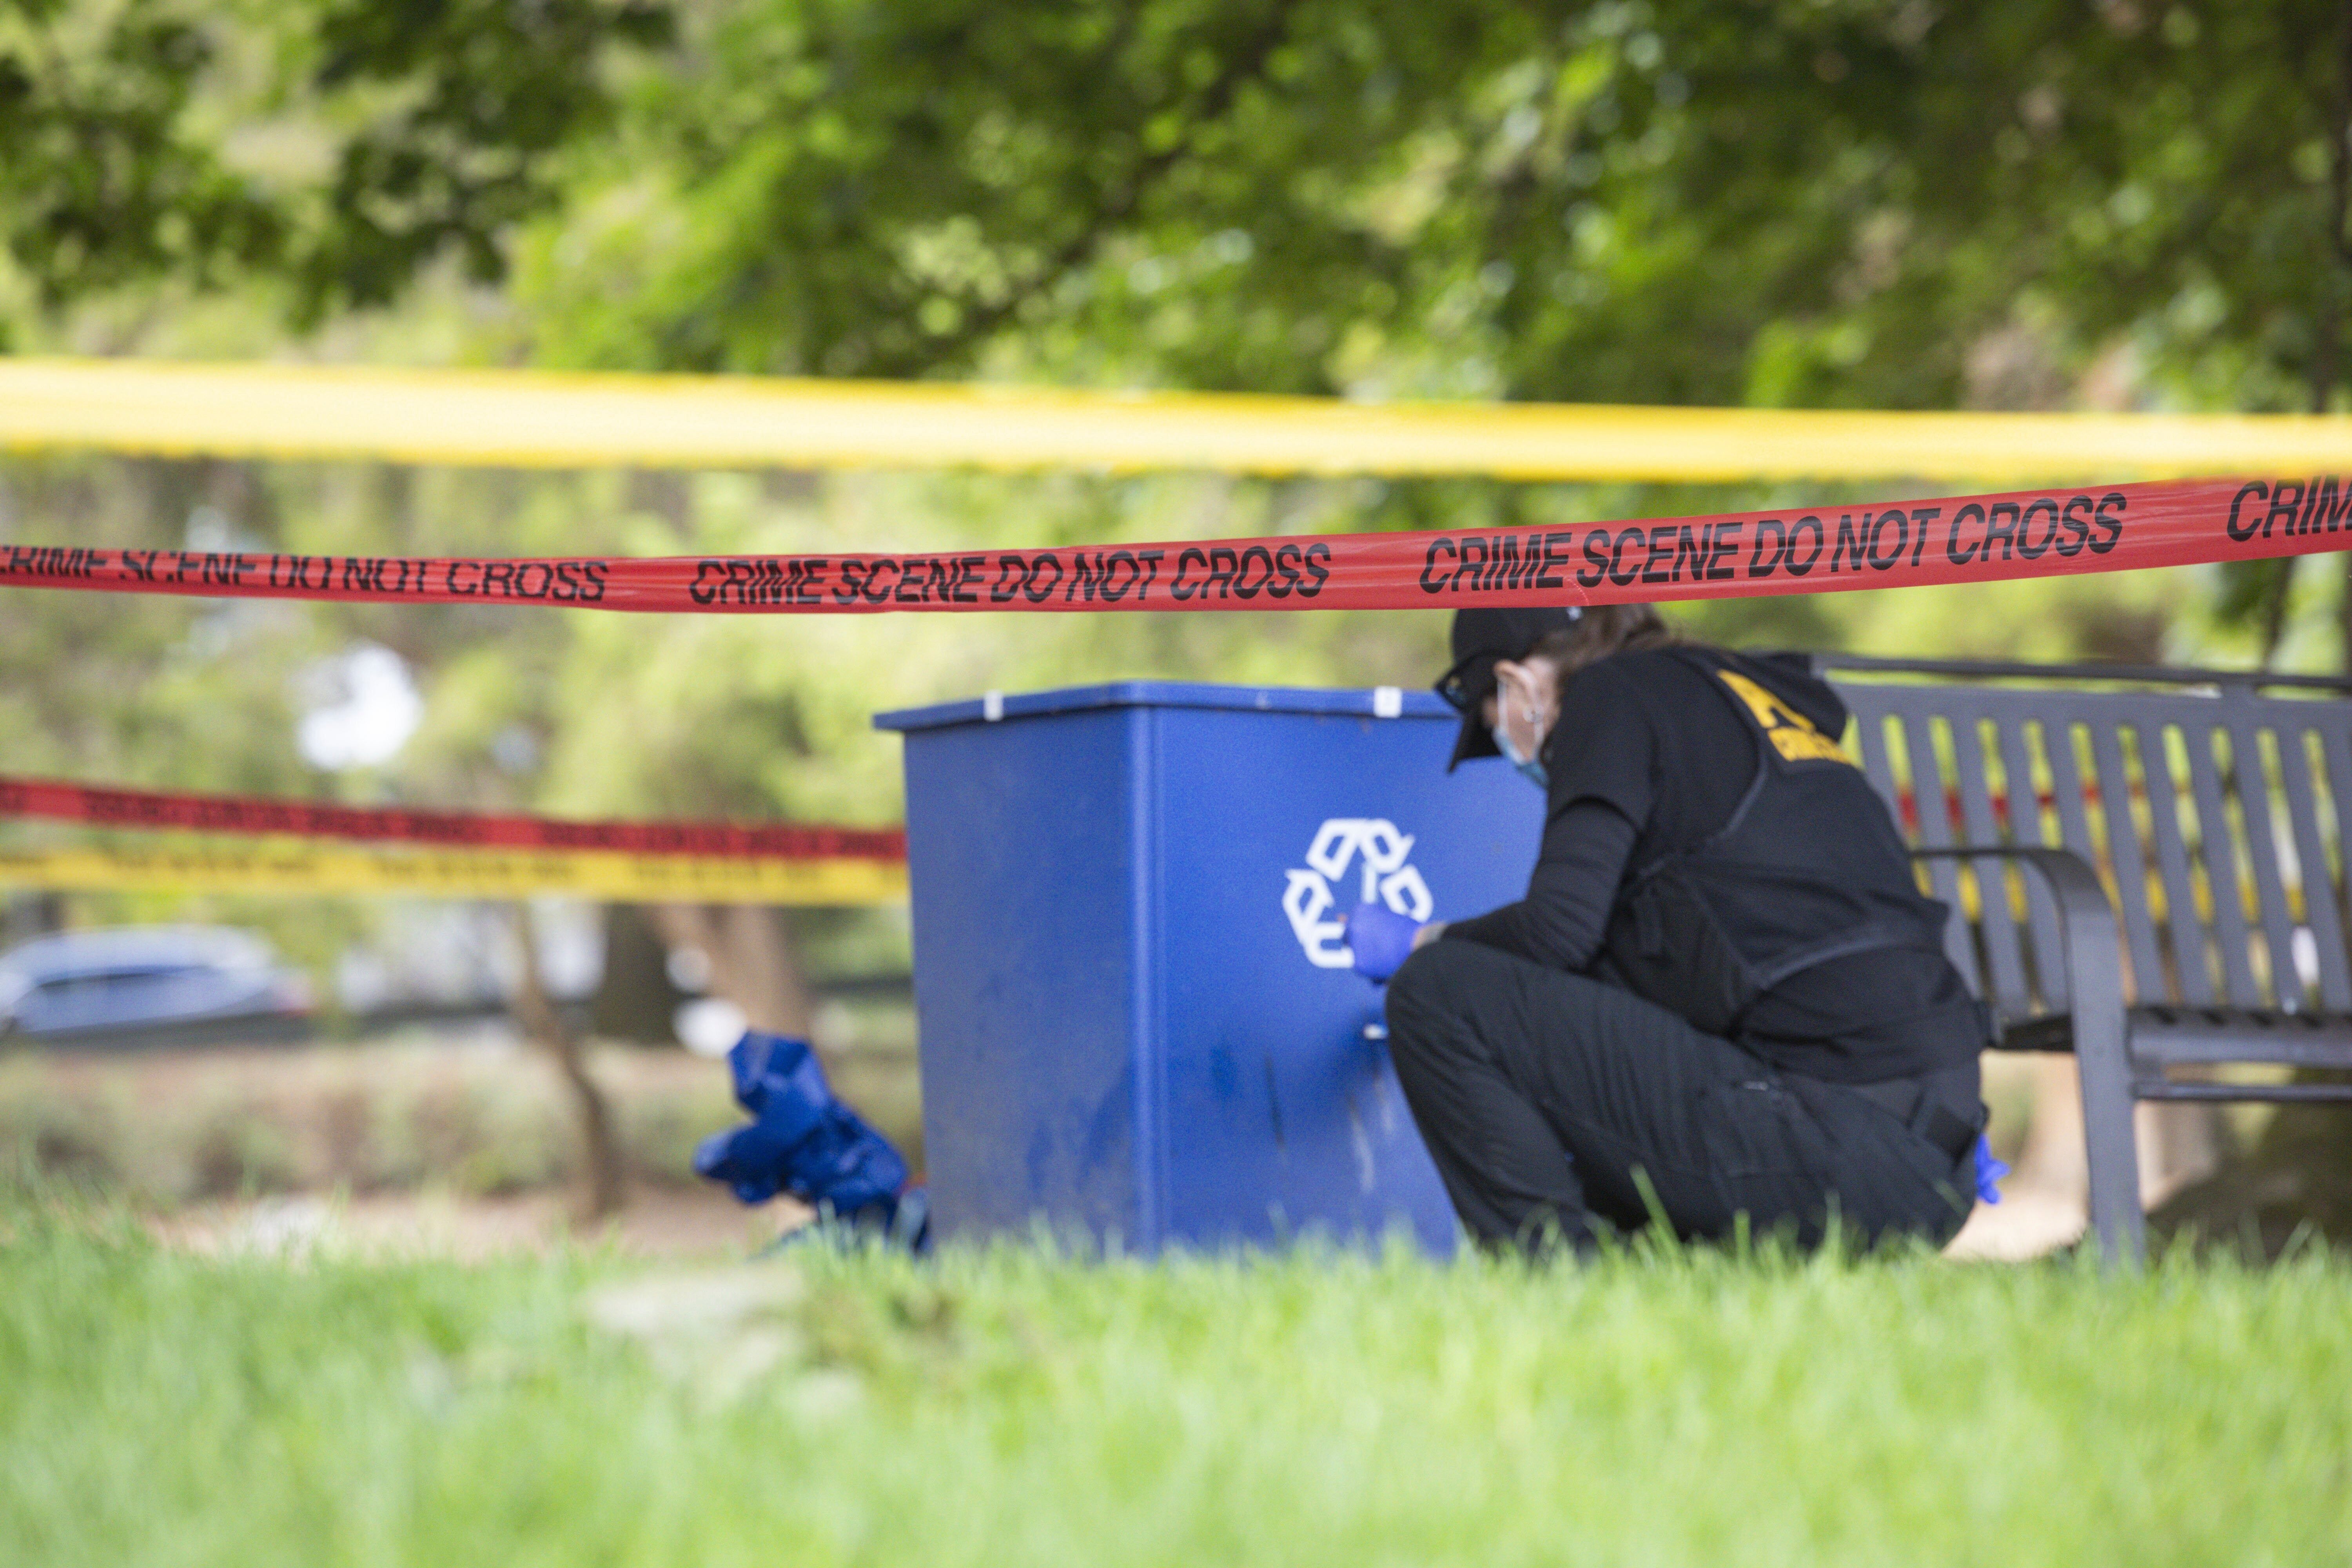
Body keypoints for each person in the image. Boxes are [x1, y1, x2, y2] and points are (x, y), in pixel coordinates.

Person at [1344, 605, 1999, 1254]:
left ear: (1516, 686)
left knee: (1439, 993)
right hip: (1940, 1153)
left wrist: (1419, 944)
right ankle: (1641, 1277)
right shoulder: (1744, 704)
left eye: (1497, 728)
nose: (1515, 753)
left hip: (1838, 1151)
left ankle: (1555, 1290)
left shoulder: (1610, 694)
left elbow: (1558, 931)